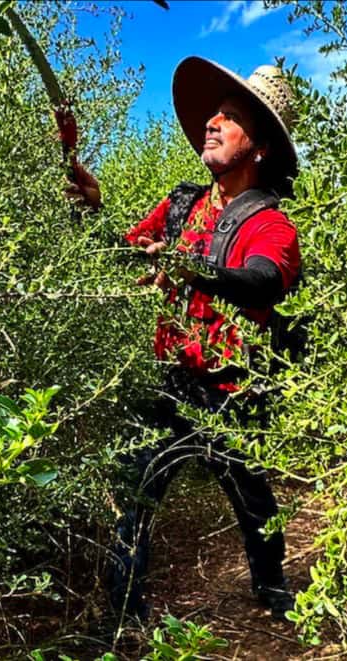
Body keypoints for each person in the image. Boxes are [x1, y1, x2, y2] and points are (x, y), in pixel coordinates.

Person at [66, 57, 303, 623]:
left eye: (230, 116)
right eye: (212, 115)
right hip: (172, 380)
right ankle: (124, 614)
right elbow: (124, 255)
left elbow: (264, 279)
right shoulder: (180, 207)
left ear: (261, 145)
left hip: (233, 391)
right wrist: (94, 213)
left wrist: (193, 270)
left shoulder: (271, 225)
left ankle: (271, 590)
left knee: (251, 499)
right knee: (136, 490)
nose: (212, 124)